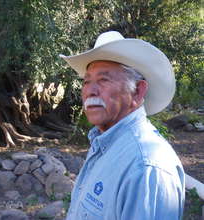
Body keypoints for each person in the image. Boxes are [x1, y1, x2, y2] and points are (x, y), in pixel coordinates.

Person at [59, 31, 185, 220]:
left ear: (137, 92)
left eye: (103, 80)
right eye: (86, 81)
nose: (90, 91)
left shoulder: (146, 168)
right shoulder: (105, 145)